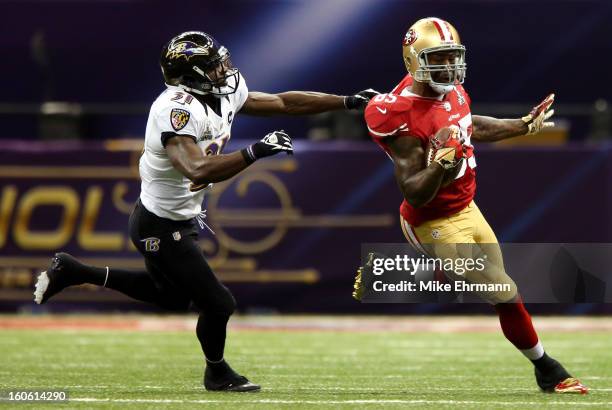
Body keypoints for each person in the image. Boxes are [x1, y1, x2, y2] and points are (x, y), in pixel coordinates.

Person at [33, 31, 377, 392]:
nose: (223, 71)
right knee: (218, 303)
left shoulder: (217, 93)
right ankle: (217, 373)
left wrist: (347, 101)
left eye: (220, 63)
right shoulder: (176, 109)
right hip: (159, 224)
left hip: (178, 216)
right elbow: (196, 169)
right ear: (190, 75)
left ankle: (73, 270)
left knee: (171, 296)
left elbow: (282, 103)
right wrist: (256, 151)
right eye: (212, 67)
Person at [357, 17, 588, 394]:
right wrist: (441, 163)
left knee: (505, 299)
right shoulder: (397, 113)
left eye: (452, 57)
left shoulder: (452, 92)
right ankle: (549, 369)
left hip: (468, 208)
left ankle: (437, 270)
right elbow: (415, 191)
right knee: (505, 291)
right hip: (432, 221)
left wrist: (519, 126)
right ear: (413, 61)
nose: (449, 66)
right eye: (439, 58)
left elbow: (469, 124)